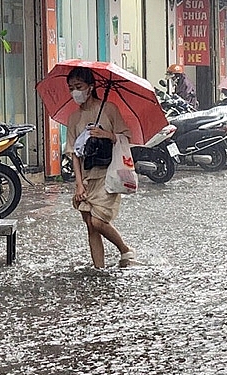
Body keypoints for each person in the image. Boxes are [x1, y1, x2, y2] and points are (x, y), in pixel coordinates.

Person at [64, 67, 136, 269]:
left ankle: (125, 250)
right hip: (87, 177)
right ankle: (99, 269)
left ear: (90, 87)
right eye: (71, 88)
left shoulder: (109, 109)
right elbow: (74, 155)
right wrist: (79, 184)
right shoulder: (73, 119)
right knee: (90, 226)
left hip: (108, 175)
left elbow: (124, 137)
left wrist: (106, 135)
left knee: (98, 221)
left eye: (78, 87)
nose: (74, 92)